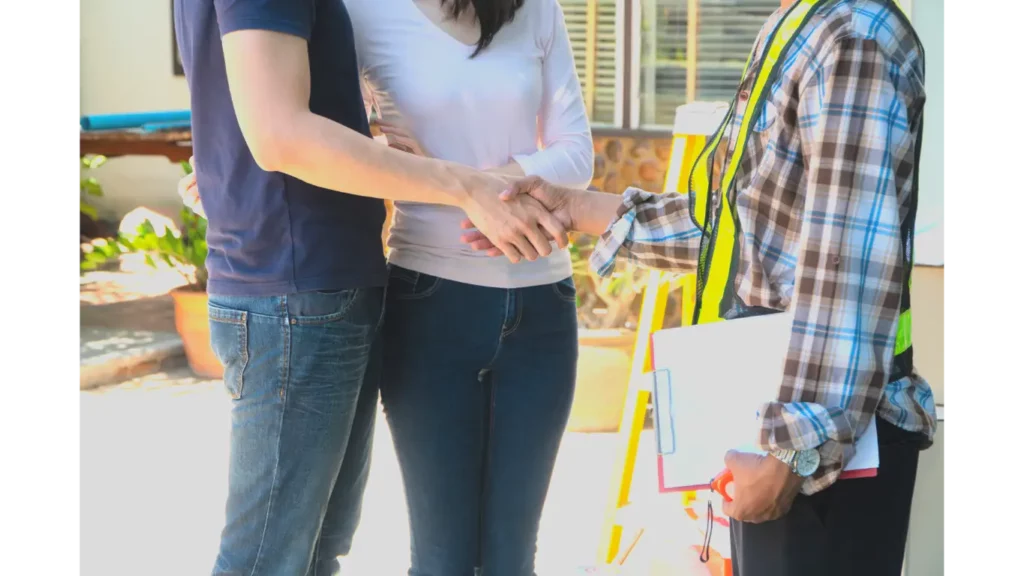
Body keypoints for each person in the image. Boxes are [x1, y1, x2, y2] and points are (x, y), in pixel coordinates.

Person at [462, 0, 936, 574]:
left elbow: (849, 261)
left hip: (823, 452)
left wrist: (792, 451)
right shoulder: (805, 25)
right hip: (791, 429)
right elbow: (750, 229)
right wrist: (578, 208)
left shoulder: (852, 38)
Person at [180, 0, 592, 572]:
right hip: (396, 291)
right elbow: (277, 122)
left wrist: (476, 186)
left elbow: (576, 155)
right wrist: (233, 168)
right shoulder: (366, 9)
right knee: (409, 558)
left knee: (335, 550)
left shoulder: (534, 10)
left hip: (522, 297)